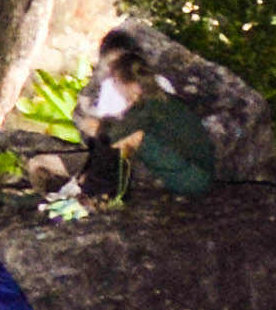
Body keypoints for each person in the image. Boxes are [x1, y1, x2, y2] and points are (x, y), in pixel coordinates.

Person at [83, 39, 221, 201]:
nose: (115, 87)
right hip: (195, 172)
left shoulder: (148, 106)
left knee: (133, 137)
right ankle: (100, 187)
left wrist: (95, 128)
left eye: (116, 82)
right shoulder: (155, 99)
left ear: (131, 85)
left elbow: (114, 137)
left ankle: (103, 191)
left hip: (194, 178)